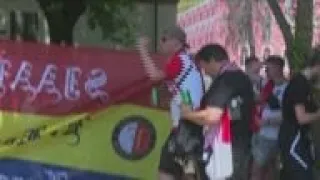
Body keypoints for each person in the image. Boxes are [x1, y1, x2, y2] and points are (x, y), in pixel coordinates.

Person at [136, 26, 204, 180]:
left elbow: (154, 76)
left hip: (185, 127)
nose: (161, 43)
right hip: (190, 127)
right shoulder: (185, 60)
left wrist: (142, 50)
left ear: (176, 42)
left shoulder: (179, 59)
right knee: (187, 171)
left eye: (164, 39)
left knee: (166, 171)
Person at [181, 44, 254, 180]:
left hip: (226, 150)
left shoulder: (225, 81)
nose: (205, 72)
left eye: (204, 67)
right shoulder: (240, 77)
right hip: (240, 145)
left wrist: (187, 114)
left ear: (213, 60)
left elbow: (212, 116)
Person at [279, 49, 320, 180]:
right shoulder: (299, 84)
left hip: (298, 137)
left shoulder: (304, 82)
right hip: (293, 137)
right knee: (302, 174)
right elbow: (301, 118)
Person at [251, 56, 287, 180]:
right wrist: (262, 63)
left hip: (277, 135)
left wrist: (265, 122)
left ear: (278, 68)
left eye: (268, 68)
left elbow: (288, 115)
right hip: (264, 134)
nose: (265, 71)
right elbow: (249, 74)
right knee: (261, 170)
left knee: (265, 171)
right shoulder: (268, 84)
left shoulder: (288, 88)